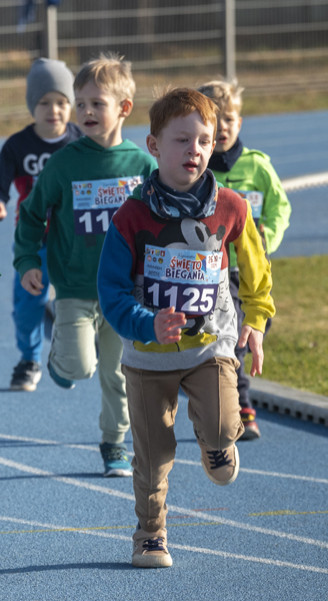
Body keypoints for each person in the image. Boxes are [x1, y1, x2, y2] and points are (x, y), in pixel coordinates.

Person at [97, 87, 274, 568]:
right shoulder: (131, 216)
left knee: (220, 426)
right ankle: (150, 535)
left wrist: (255, 321)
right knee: (153, 457)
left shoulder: (231, 208)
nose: (193, 150)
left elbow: (256, 273)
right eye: (181, 140)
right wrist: (147, 323)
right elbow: (110, 292)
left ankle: (217, 445)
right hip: (147, 357)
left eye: (203, 140)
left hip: (208, 348)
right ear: (154, 146)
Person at [13, 53, 157, 477]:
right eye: (82, 103)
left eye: (98, 103)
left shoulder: (142, 166)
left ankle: (114, 444)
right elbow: (32, 213)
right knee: (81, 367)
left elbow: (163, 220)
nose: (87, 111)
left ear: (124, 108)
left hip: (124, 293)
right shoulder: (65, 163)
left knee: (117, 375)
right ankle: (60, 360)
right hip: (74, 286)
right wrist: (26, 261)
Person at [197, 78, 291, 441]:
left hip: (250, 270)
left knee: (249, 330)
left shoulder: (257, 166)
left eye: (230, 120)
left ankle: (232, 398)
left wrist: (269, 234)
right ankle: (242, 405)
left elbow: (280, 206)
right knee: (229, 337)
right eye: (214, 122)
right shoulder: (197, 172)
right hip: (213, 273)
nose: (223, 129)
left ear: (241, 122)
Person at [0, 57, 81, 390]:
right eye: (44, 102)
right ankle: (29, 359)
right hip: (33, 242)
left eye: (61, 102)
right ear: (31, 105)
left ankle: (71, 354)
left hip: (74, 243)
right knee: (28, 307)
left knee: (77, 302)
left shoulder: (81, 142)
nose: (53, 110)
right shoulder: (18, 146)